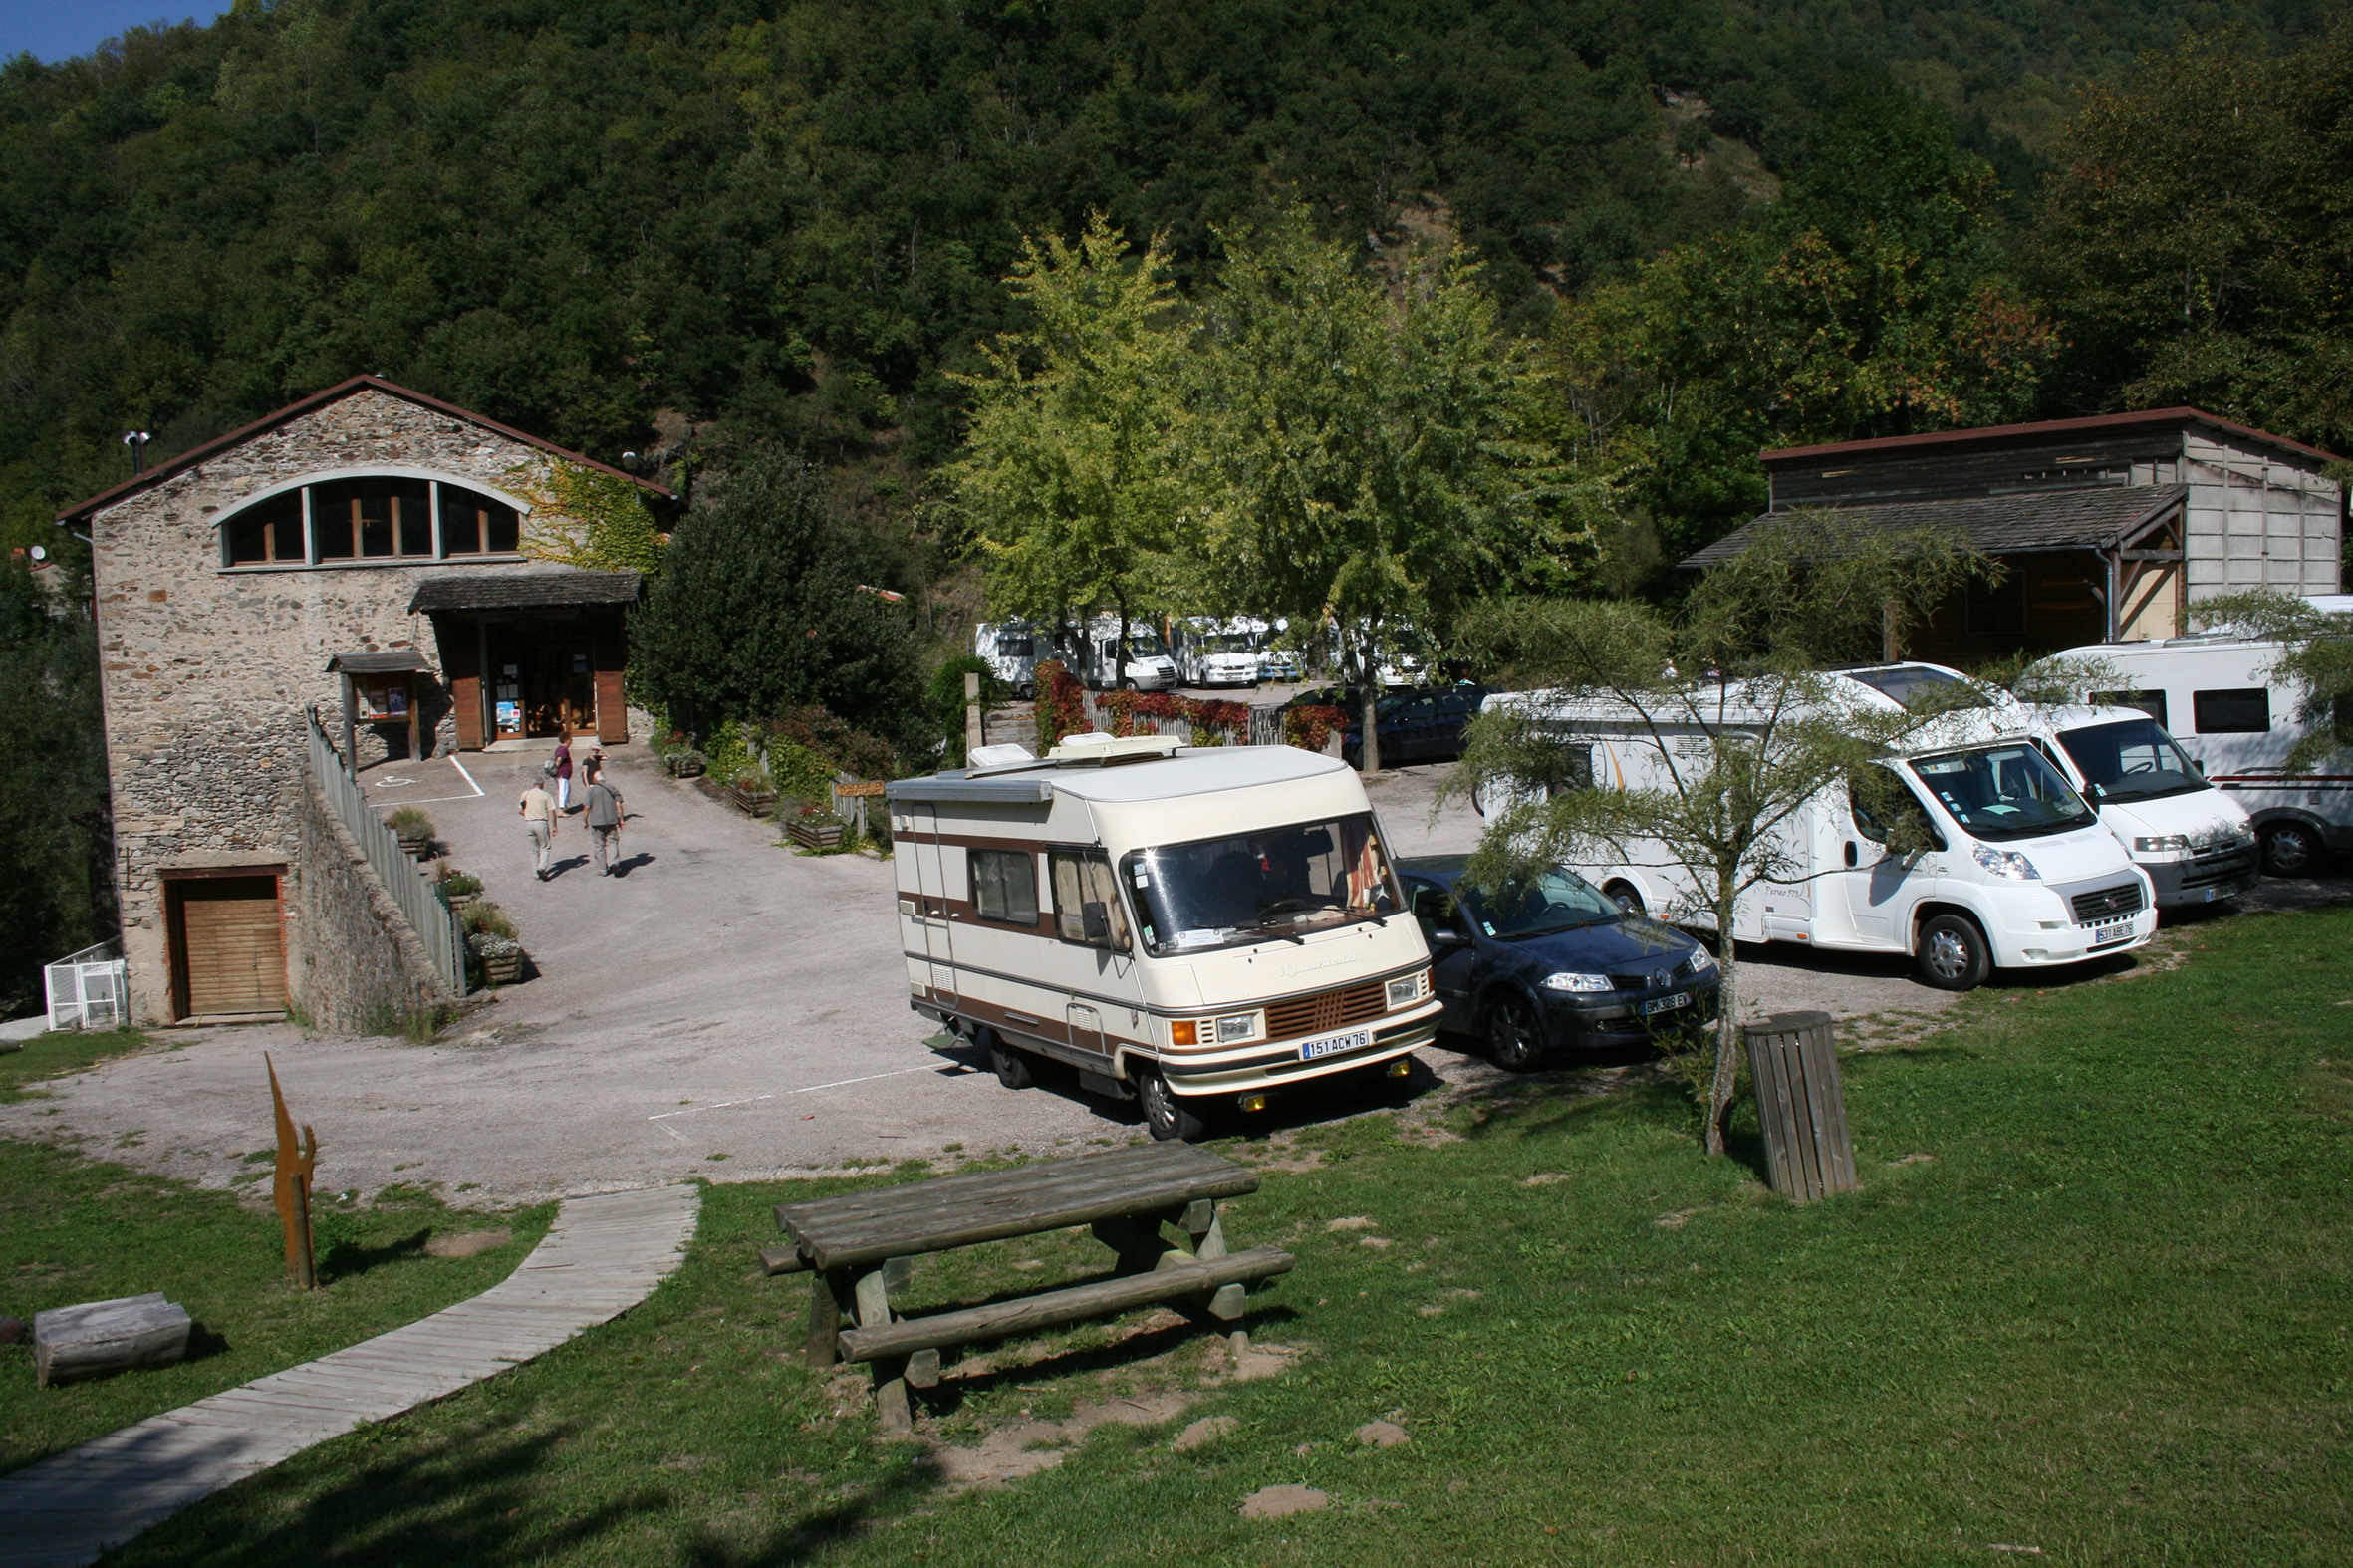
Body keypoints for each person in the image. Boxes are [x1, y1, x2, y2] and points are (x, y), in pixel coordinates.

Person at [584, 767, 625, 875]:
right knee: (612, 842)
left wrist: (585, 820)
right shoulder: (612, 788)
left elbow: (586, 807)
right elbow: (618, 805)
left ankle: (602, 869)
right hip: (611, 820)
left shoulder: (591, 790)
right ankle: (614, 863)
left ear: (595, 779)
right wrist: (621, 820)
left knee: (599, 844)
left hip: (596, 822)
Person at [519, 768, 558, 880]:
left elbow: (520, 810)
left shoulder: (525, 794)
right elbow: (551, 812)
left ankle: (535, 873)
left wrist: (528, 815)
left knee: (534, 849)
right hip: (541, 823)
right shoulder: (546, 795)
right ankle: (541, 868)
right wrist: (554, 826)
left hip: (529, 823)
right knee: (545, 846)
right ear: (542, 785)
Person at [551, 727, 575, 812]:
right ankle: (560, 810)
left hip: (564, 774)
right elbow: (559, 760)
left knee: (566, 789)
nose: (571, 741)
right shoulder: (563, 749)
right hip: (562, 774)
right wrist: (555, 769)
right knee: (563, 790)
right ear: (566, 740)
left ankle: (564, 806)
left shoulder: (560, 748)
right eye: (570, 739)